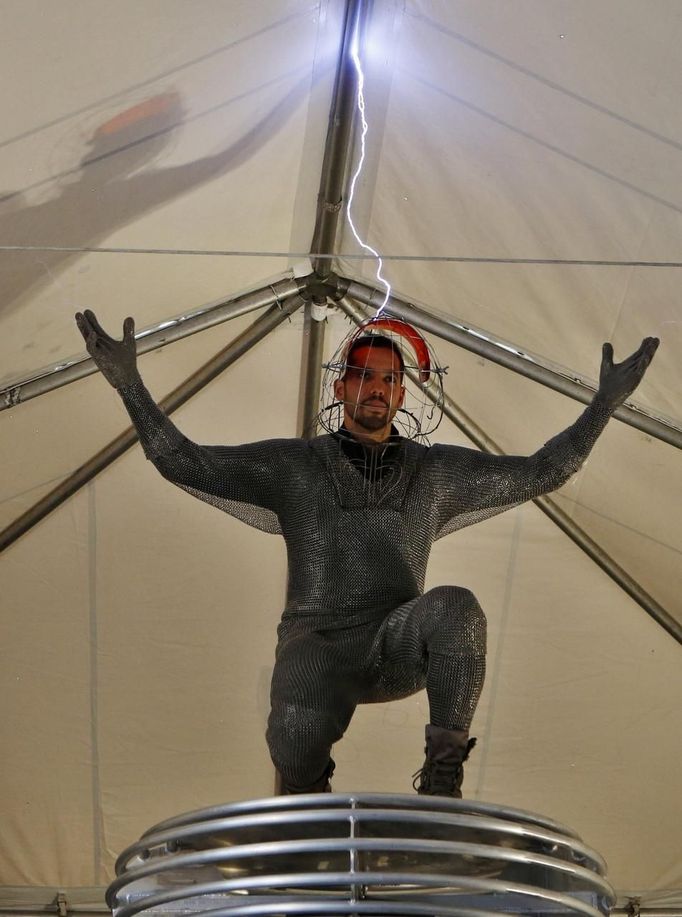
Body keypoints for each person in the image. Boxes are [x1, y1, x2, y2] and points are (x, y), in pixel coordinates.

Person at [75, 308, 658, 796]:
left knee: (457, 606)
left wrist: (603, 405)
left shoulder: (434, 474)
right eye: (362, 376)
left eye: (387, 379)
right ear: (340, 387)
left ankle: (442, 777)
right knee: (297, 725)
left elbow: (543, 471)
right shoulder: (296, 467)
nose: (374, 388)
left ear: (403, 393)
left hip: (396, 639)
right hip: (318, 642)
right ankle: (307, 803)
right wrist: (129, 385)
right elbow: (185, 462)